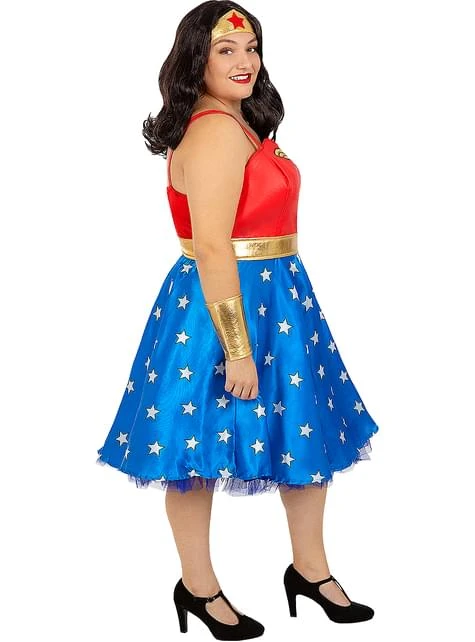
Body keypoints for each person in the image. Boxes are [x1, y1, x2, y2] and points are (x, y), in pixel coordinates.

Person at [96, 1, 380, 638]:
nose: (244, 61)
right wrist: (239, 349)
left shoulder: (238, 123)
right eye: (226, 50)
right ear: (197, 59)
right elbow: (213, 246)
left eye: (250, 47)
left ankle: (310, 571)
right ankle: (198, 588)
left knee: (303, 433)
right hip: (224, 310)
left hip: (278, 300)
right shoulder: (215, 133)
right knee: (191, 453)